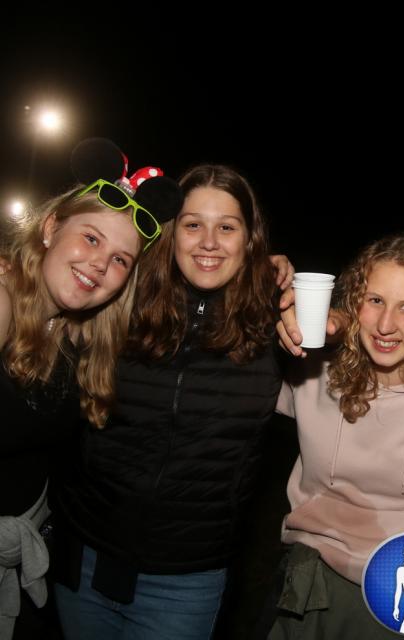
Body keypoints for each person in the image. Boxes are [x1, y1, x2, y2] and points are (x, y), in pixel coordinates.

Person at [53, 163, 293, 640]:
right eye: (192, 225)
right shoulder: (120, 303)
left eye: (227, 227)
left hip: (185, 583)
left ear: (250, 239)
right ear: (170, 234)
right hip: (85, 558)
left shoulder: (276, 323)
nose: (209, 242)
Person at [0, 138, 182, 639]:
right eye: (91, 238)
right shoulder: (4, 299)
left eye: (121, 259)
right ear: (50, 227)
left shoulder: (76, 332)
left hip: (24, 559)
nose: (101, 264)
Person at [266, 235, 404, 638]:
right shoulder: (313, 375)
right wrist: (258, 278)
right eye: (375, 301)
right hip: (309, 580)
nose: (385, 325)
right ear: (354, 304)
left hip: (401, 594)